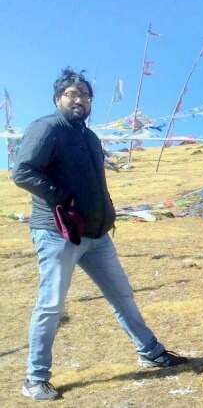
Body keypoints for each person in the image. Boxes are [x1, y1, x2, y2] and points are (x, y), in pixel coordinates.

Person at [12, 68, 188, 401]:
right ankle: (35, 378)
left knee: (122, 295)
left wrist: (105, 213)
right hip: (57, 233)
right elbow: (22, 171)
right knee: (51, 306)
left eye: (85, 95)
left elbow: (95, 183)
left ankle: (149, 351)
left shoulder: (90, 138)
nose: (79, 99)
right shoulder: (47, 128)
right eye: (72, 94)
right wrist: (60, 195)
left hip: (96, 236)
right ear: (58, 98)